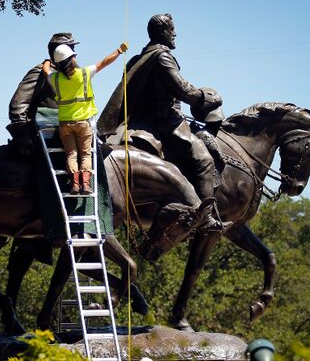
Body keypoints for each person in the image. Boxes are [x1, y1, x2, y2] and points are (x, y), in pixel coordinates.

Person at [97, 13, 228, 233]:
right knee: (204, 159)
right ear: (161, 32)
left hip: (142, 117)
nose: (175, 33)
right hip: (165, 120)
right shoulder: (161, 57)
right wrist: (208, 98)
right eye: (171, 29)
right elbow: (183, 90)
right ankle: (204, 217)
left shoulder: (140, 56)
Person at [42, 40, 128, 194]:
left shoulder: (55, 78)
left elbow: (45, 70)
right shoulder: (84, 73)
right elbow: (104, 62)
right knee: (86, 154)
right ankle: (86, 184)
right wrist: (119, 51)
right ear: (72, 59)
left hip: (65, 125)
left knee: (71, 154)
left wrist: (47, 61)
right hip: (83, 123)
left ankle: (75, 185)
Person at [6, 33, 79, 155]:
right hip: (47, 131)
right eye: (71, 49)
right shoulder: (40, 72)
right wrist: (23, 136)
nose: (74, 54)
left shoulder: (69, 75)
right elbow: (18, 105)